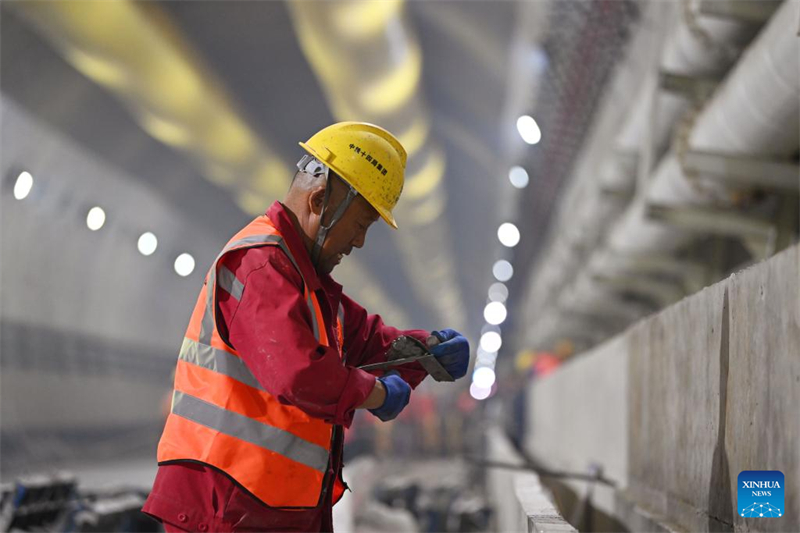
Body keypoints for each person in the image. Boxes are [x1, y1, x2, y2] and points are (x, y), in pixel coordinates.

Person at [142, 122, 470, 532]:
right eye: (362, 224)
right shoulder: (260, 266)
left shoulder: (305, 282)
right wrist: (375, 393)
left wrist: (427, 350)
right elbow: (298, 372)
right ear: (318, 201)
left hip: (267, 506)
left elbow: (365, 339)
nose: (360, 242)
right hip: (225, 506)